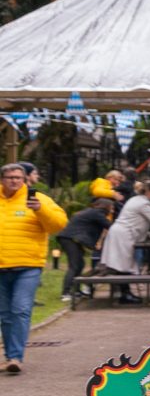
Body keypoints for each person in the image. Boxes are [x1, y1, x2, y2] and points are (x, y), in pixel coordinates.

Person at [0, 160, 65, 374]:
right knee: (5, 314)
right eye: (10, 178)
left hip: (28, 265)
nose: (15, 182)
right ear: (3, 180)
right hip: (2, 265)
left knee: (20, 309)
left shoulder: (39, 200)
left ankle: (16, 357)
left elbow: (58, 225)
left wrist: (40, 211)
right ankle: (10, 356)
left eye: (19, 178)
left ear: (25, 180)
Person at [97, 177, 150, 272]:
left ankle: (107, 274)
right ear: (148, 191)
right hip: (124, 235)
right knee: (121, 268)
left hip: (119, 232)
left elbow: (144, 214)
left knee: (118, 266)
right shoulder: (143, 203)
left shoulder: (135, 200)